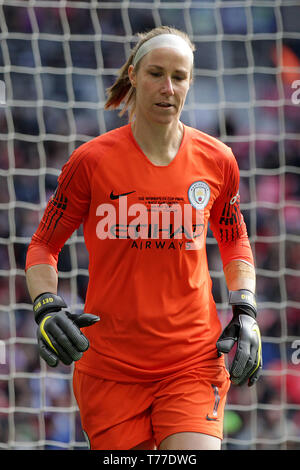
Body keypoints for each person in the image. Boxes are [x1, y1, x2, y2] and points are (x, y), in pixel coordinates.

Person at [25, 26, 262, 451]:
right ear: (133, 75)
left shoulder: (217, 160)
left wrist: (245, 309)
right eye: (156, 73)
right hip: (109, 369)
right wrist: (46, 307)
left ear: (191, 82)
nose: (168, 88)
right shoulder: (90, 161)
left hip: (191, 361)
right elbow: (44, 244)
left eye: (180, 76)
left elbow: (234, 239)